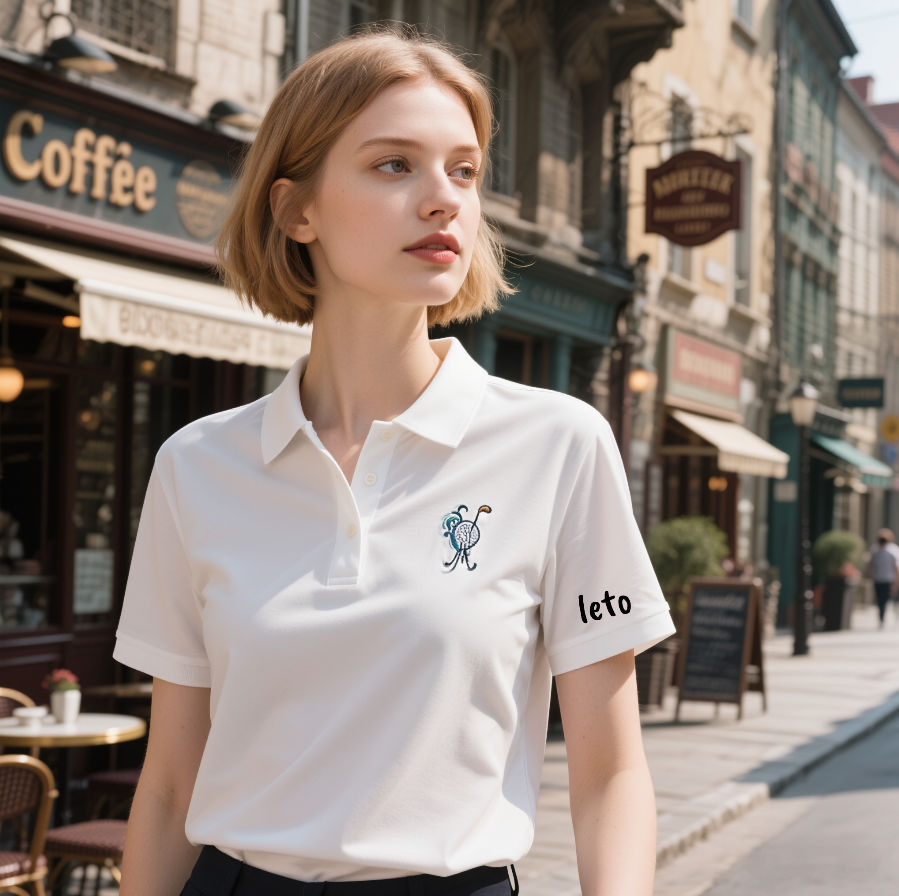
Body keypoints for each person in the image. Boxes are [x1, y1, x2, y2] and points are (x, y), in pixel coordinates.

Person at [114, 28, 675, 896]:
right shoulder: (197, 466)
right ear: (295, 209)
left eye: (463, 170)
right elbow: (169, 788)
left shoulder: (557, 445)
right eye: (392, 165)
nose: (442, 198)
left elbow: (609, 779)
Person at [866, 528, 899, 628]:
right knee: (883, 599)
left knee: (881, 599)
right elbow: (896, 567)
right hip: (887, 578)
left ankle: (881, 617)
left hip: (880, 578)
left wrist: (870, 576)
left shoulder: (875, 549)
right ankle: (882, 617)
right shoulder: (892, 549)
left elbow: (870, 566)